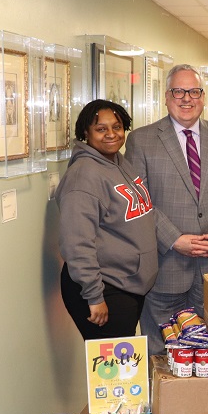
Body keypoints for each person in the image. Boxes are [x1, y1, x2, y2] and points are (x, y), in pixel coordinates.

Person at [125, 64, 208, 355]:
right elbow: (140, 201)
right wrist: (173, 239)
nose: (186, 98)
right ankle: (167, 400)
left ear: (203, 97)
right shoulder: (141, 141)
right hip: (165, 265)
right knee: (162, 348)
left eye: (193, 91)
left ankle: (206, 402)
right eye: (178, 91)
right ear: (166, 97)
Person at [56, 99, 158, 340]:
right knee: (114, 373)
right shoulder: (84, 175)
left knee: (122, 371)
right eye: (101, 129)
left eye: (117, 127)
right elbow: (77, 243)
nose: (111, 134)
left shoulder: (119, 163)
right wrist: (94, 296)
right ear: (85, 133)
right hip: (105, 288)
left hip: (127, 284)